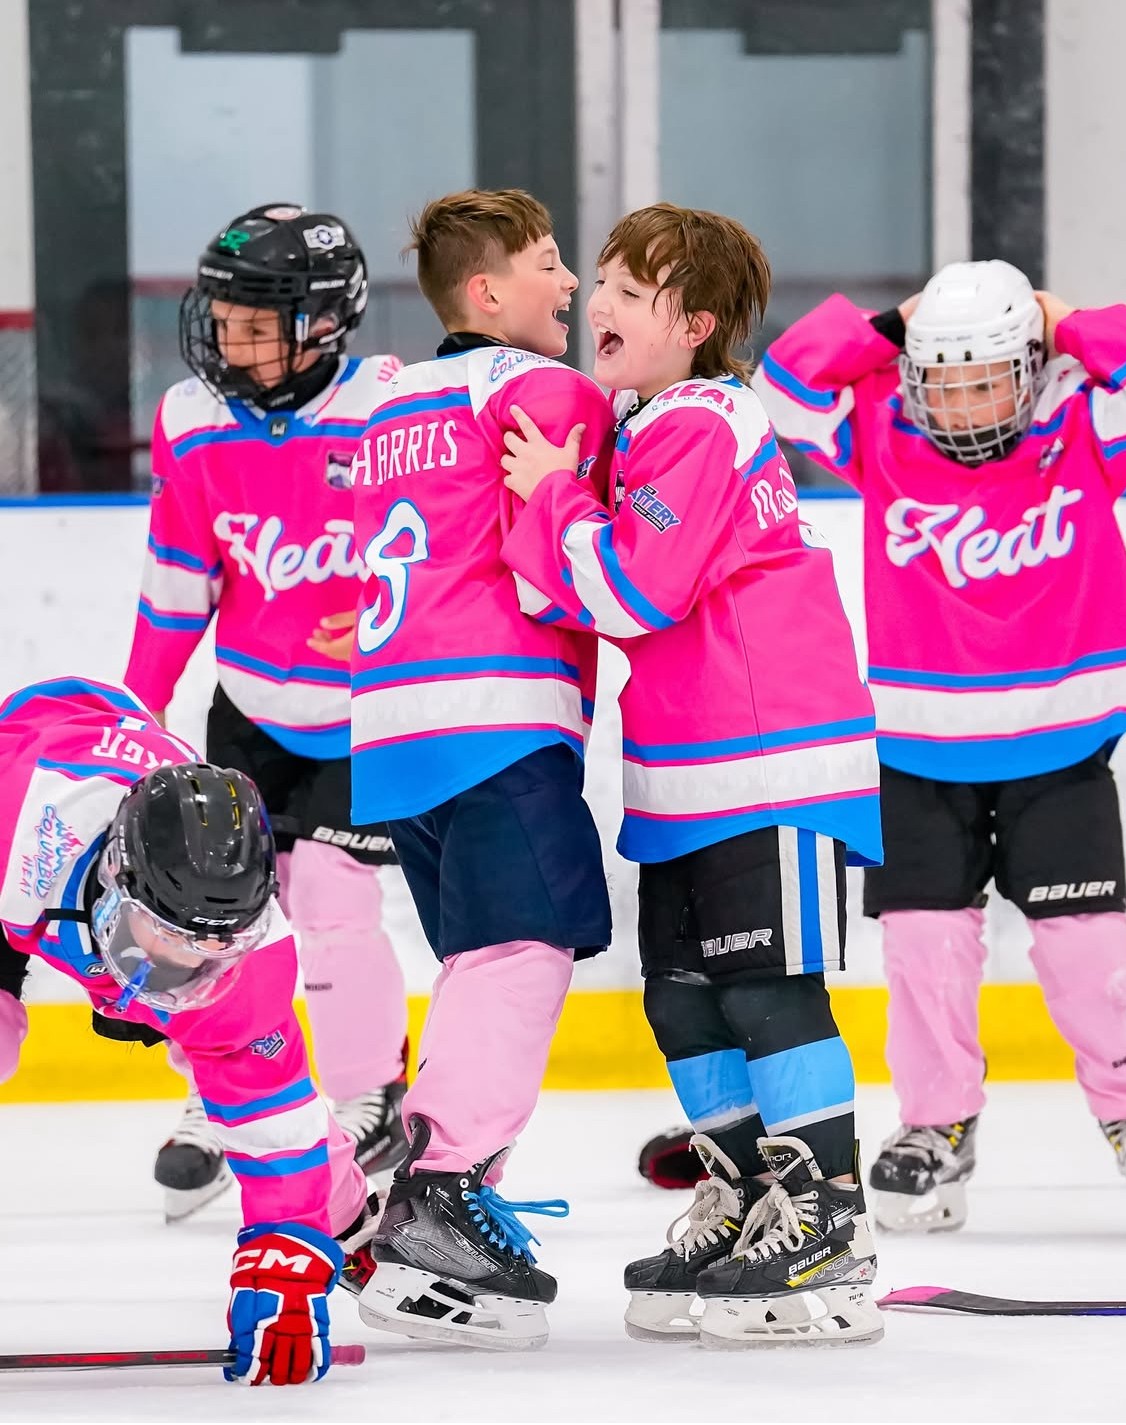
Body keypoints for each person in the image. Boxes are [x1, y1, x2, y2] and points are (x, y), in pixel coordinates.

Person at [498, 203, 885, 1348]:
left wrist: (554, 495)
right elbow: (567, 590)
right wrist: (565, 502)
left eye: (633, 290)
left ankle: (829, 1223)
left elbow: (632, 593)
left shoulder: (707, 421)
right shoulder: (643, 430)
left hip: (770, 756)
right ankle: (754, 1198)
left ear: (698, 325)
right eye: (602, 282)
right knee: (681, 998)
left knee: (766, 991)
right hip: (685, 769)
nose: (601, 304)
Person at [753, 259, 1126, 1232]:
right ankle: (936, 1125)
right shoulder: (881, 429)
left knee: (1086, 943)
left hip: (1060, 748)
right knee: (923, 948)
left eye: (985, 379)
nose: (962, 403)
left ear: (1032, 367)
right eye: (941, 379)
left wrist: (1065, 316)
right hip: (916, 750)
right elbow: (781, 386)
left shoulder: (1080, 424)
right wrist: (890, 322)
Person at [343, 188, 613, 1351]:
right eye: (549, 262)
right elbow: (569, 565)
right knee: (523, 948)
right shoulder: (543, 392)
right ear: (488, 291)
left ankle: (427, 1195)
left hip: (391, 730)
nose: (573, 284)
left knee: (476, 959)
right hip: (497, 712)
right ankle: (439, 1197)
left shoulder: (384, 402)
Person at [122, 203, 410, 1222]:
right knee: (218, 915)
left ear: (324, 322)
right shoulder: (191, 419)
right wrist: (138, 711)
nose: (225, 339)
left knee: (328, 901)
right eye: (221, 317)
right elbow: (177, 582)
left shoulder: (389, 409)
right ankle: (221, 1092)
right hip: (245, 712)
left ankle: (371, 1092)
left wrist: (382, 621)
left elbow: (436, 550)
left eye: (253, 323)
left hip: (364, 718)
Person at [0, 677, 373, 1385]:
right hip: (23, 836)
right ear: (117, 881)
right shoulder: (16, 822)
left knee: (255, 1065)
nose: (192, 968)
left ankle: (353, 1214)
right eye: (169, 937)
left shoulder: (250, 955)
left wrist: (286, 1254)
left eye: (216, 945)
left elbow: (272, 1116)